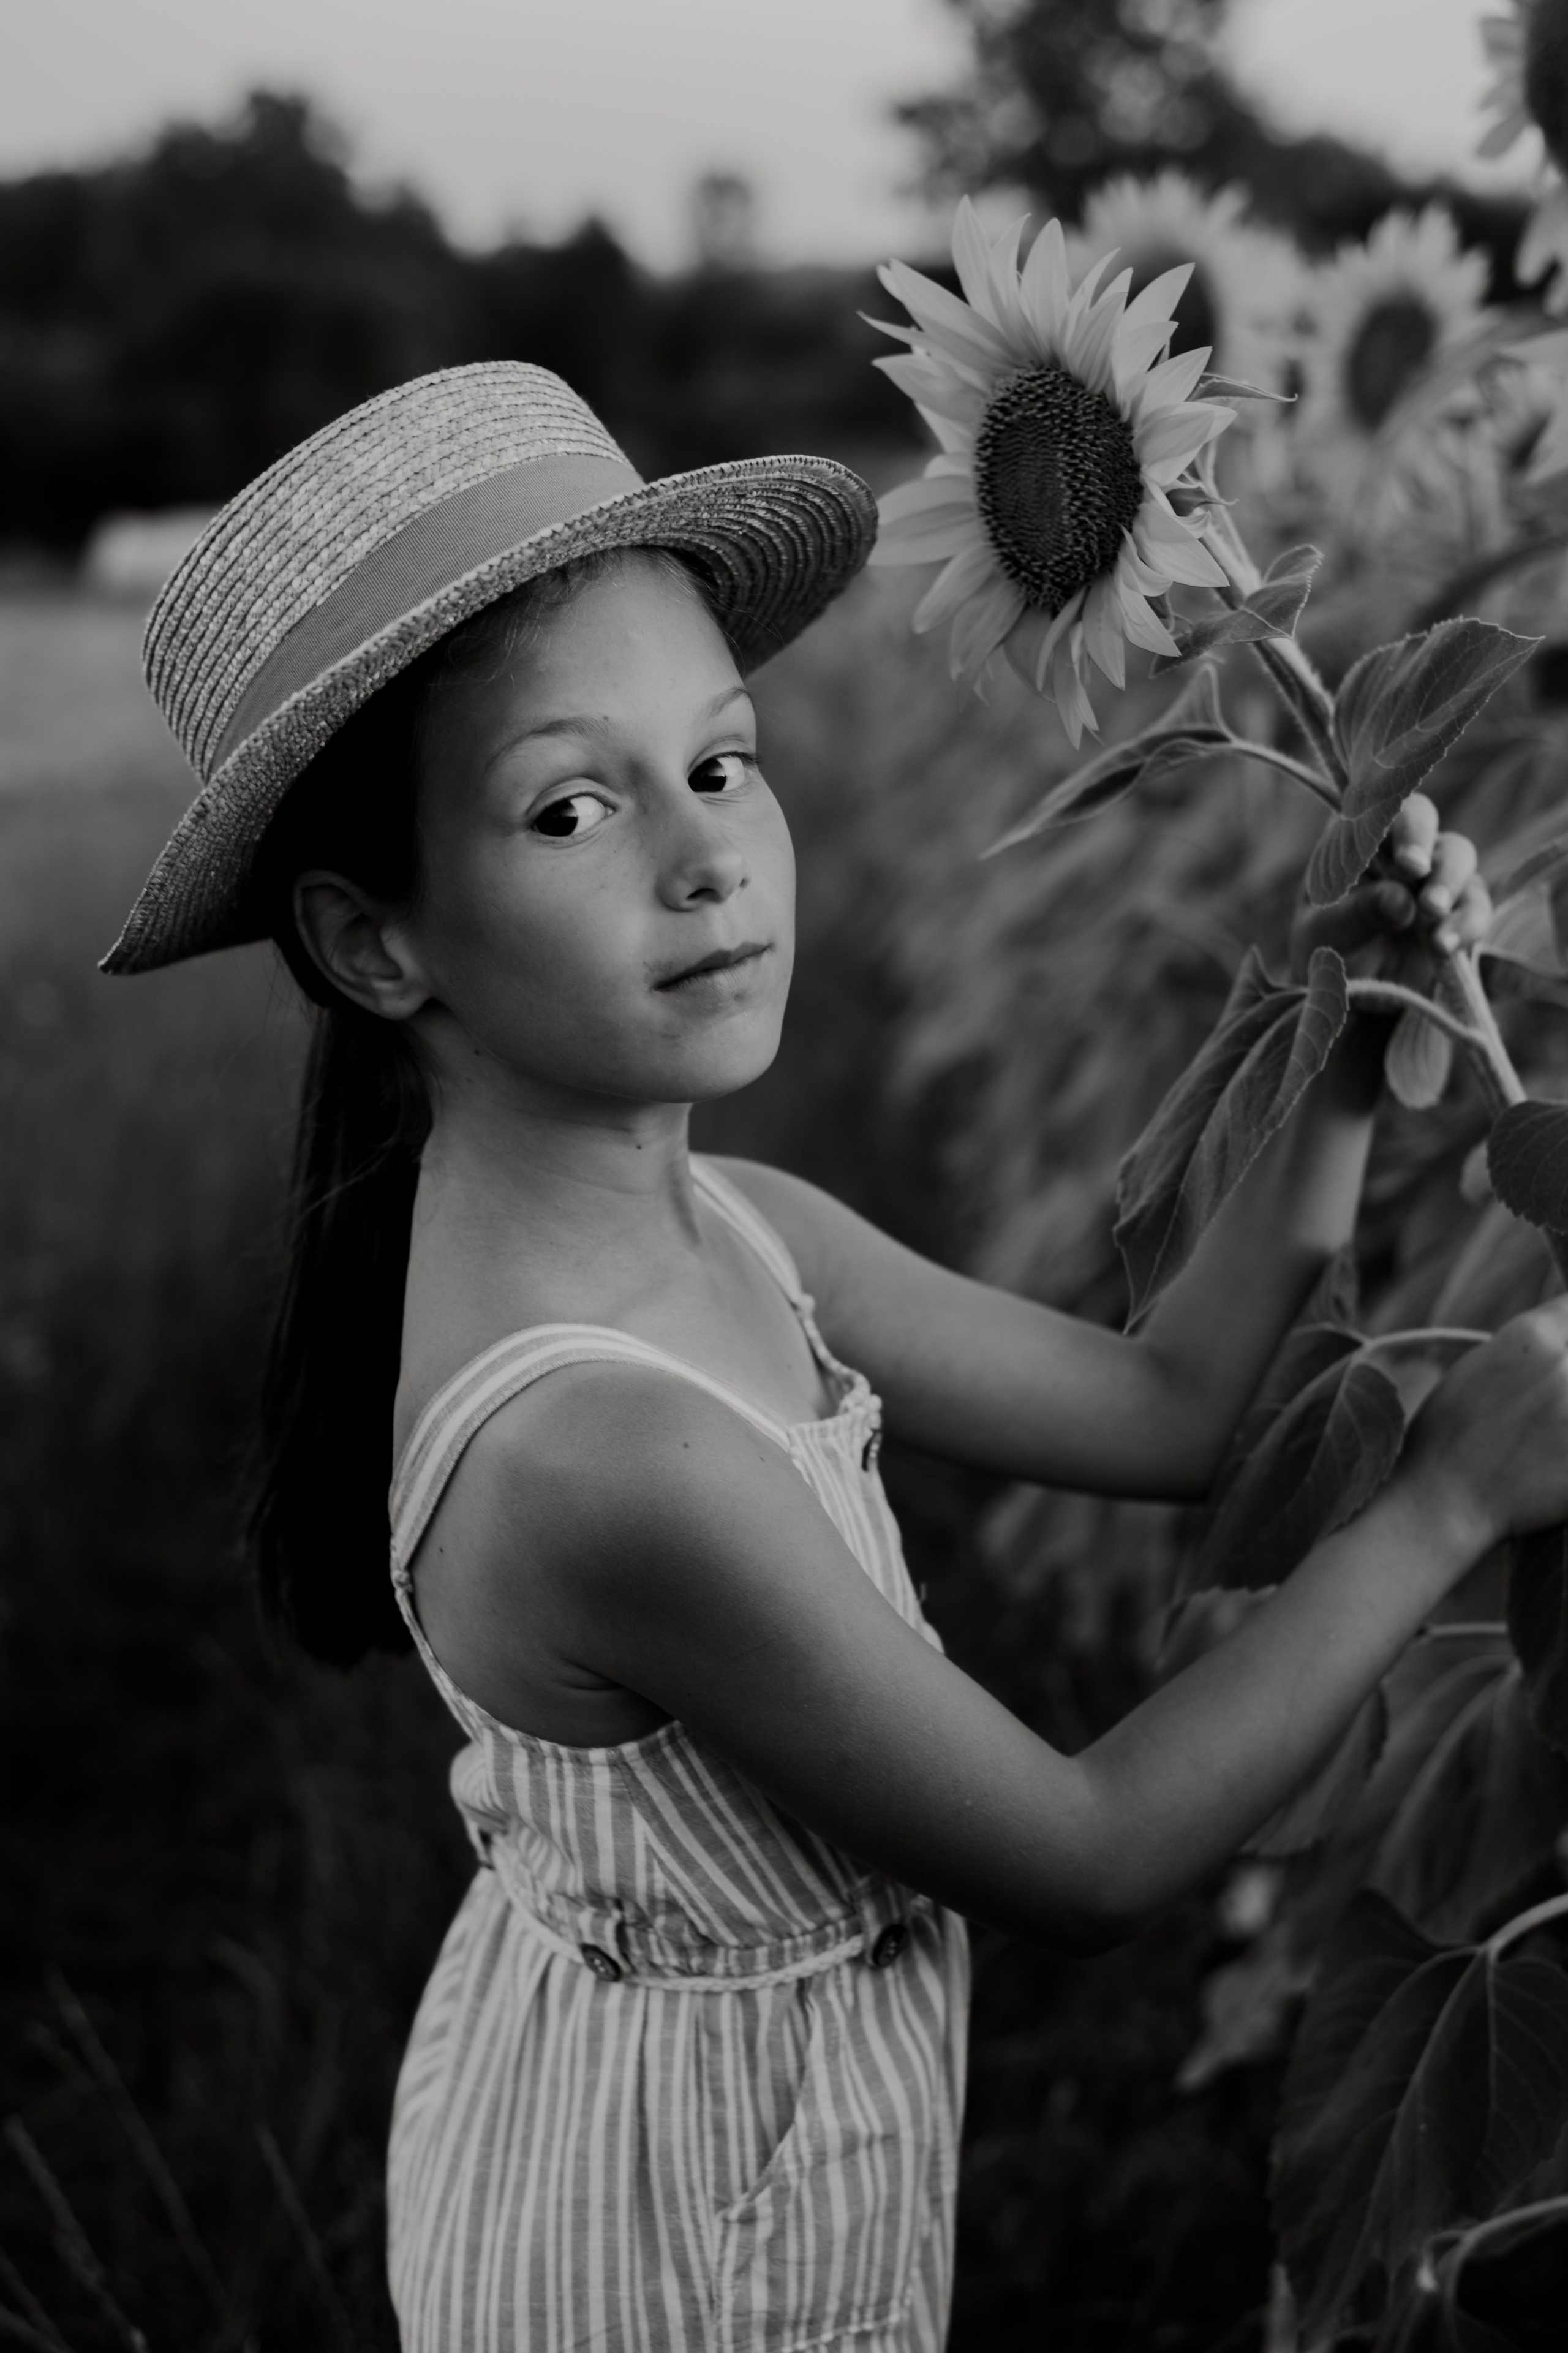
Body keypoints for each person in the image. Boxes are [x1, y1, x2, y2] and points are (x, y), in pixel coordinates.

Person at [108, 363, 1568, 2353]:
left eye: (722, 763)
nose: (706, 860)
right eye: (571, 805)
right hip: (672, 2256)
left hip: (727, 2146)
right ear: (379, 944)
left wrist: (1346, 1027)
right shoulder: (605, 1455)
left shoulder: (737, 1231)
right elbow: (1087, 1849)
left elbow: (1165, 1409)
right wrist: (1456, 1492)